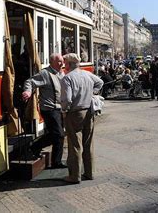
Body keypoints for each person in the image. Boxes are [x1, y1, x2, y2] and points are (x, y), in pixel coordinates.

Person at [60, 53, 103, 184]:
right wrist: (92, 92)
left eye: (65, 63)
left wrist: (64, 110)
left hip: (75, 112)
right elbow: (100, 82)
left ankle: (74, 176)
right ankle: (89, 173)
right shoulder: (87, 74)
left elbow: (67, 99)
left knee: (75, 145)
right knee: (88, 143)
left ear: (68, 64)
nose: (63, 65)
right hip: (89, 111)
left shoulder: (67, 78)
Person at [22, 53, 66, 169]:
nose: (62, 64)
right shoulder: (45, 73)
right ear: (52, 62)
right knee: (59, 135)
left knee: (56, 134)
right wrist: (28, 91)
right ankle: (56, 162)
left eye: (62, 61)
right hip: (49, 109)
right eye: (59, 62)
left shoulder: (61, 73)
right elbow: (30, 82)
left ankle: (34, 147)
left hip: (59, 109)